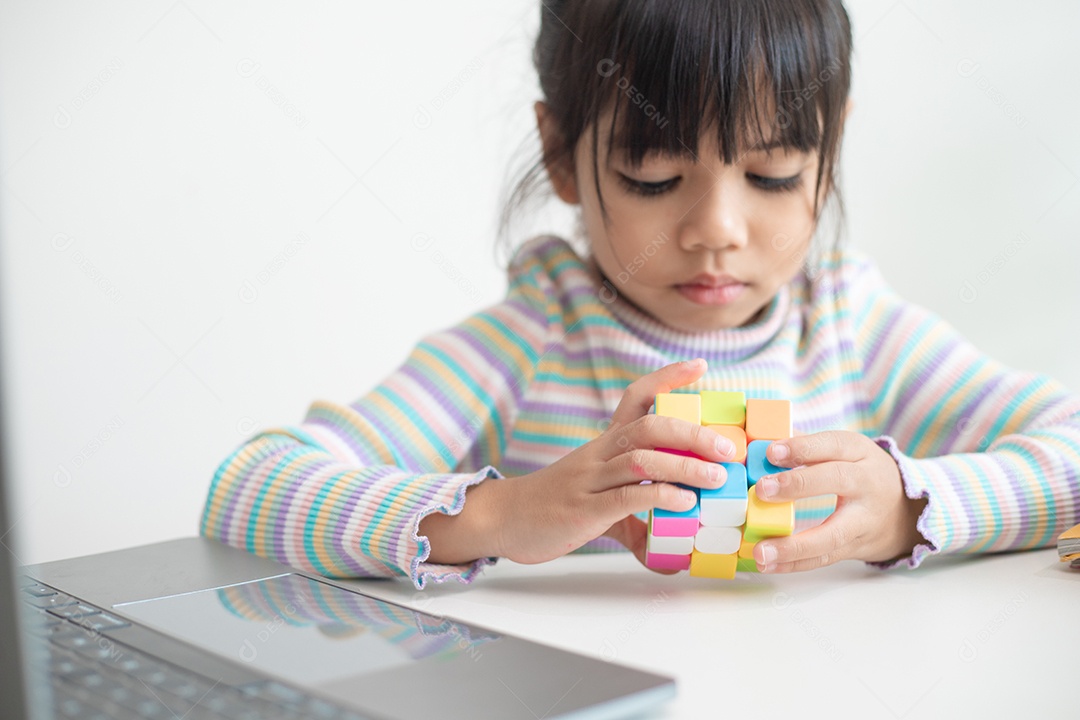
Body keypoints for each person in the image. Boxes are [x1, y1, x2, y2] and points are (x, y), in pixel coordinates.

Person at [200, 0, 1080, 589]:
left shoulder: (848, 325)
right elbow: (248, 489)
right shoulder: (535, 338)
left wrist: (909, 507)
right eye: (653, 175)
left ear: (829, 153)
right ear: (560, 154)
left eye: (774, 174)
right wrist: (507, 512)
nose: (716, 229)